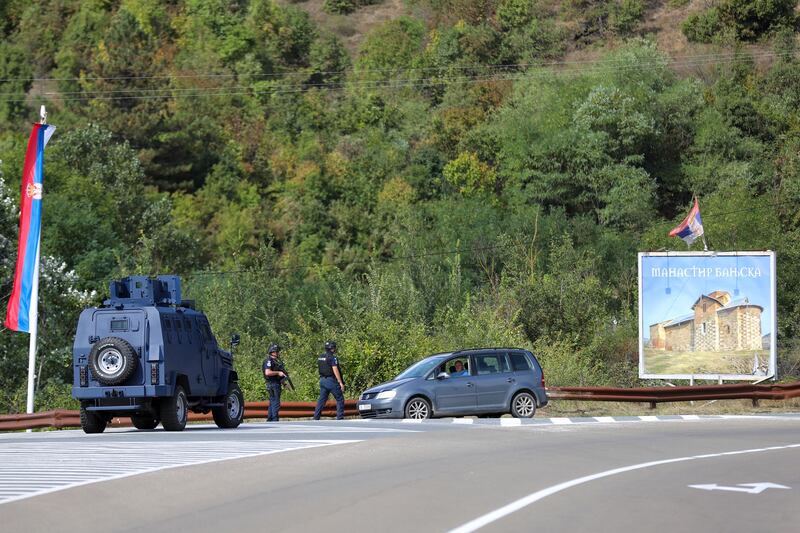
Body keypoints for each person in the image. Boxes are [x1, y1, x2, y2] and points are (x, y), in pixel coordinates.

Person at [313, 340, 345, 420]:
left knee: (322, 400)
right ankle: (340, 418)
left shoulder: (321, 356)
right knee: (340, 398)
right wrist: (340, 382)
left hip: (322, 380)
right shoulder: (332, 357)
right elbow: (335, 370)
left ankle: (316, 417)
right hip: (331, 381)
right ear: (332, 348)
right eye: (334, 348)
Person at [263, 343, 287, 422]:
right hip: (273, 384)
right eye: (277, 351)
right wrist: (278, 372)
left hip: (273, 383)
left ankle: (270, 419)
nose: (278, 353)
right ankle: (274, 419)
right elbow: (267, 372)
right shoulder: (269, 360)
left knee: (272, 402)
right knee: (276, 402)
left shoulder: (275, 361)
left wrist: (284, 383)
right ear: (273, 352)